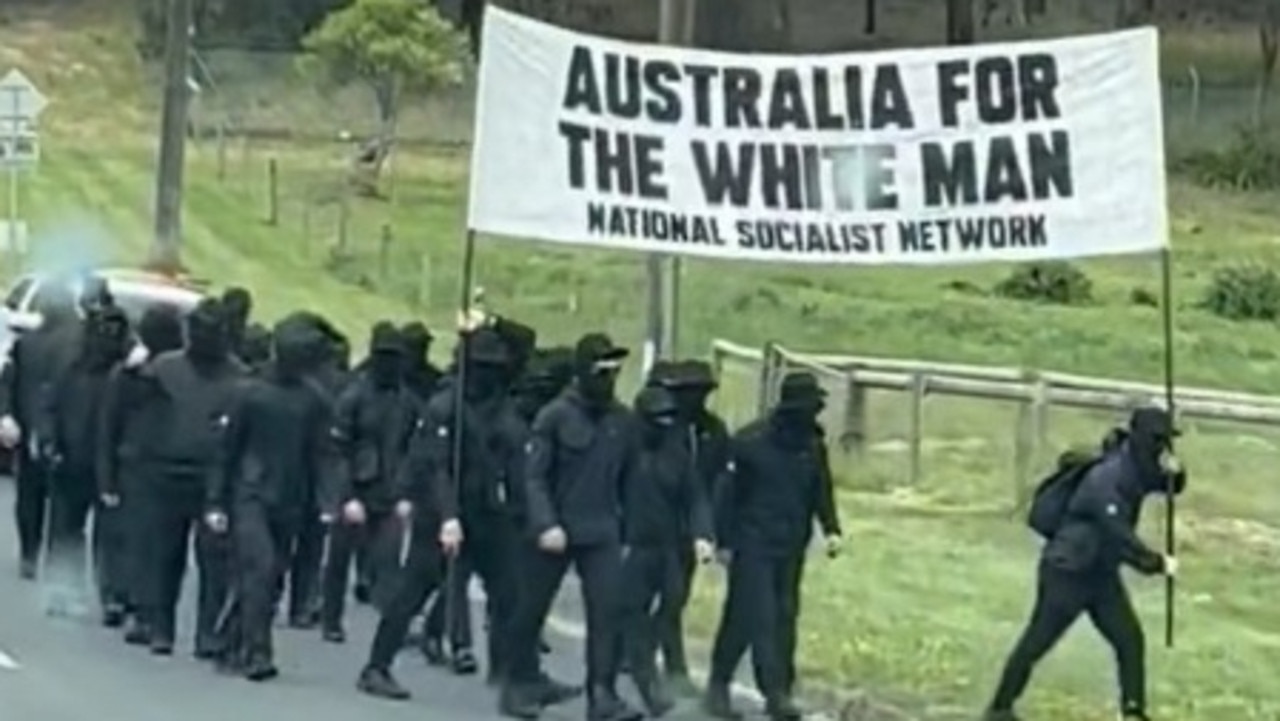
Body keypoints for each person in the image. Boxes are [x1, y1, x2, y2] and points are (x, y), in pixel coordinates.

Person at [983, 406, 1185, 721]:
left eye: (1166, 441)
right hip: (1068, 572)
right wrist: (1156, 563)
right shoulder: (1107, 476)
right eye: (1158, 440)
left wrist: (1176, 472)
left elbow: (1169, 485)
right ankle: (999, 709)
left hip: (1100, 575)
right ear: (1143, 438)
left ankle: (1133, 712)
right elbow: (1117, 533)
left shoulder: (1138, 465)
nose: (1162, 447)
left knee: (1129, 640)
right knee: (1037, 642)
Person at [500, 332, 640, 721]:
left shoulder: (622, 421)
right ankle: (517, 684)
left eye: (615, 370)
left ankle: (602, 693)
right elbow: (534, 477)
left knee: (608, 613)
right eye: (601, 369)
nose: (609, 378)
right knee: (530, 610)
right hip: (554, 532)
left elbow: (630, 480)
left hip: (601, 531)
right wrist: (546, 523)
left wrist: (627, 533)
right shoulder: (555, 416)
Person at [705, 372, 843, 721]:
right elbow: (727, 496)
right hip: (752, 543)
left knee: (776, 615)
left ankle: (728, 683)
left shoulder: (812, 445)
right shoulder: (750, 442)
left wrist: (831, 528)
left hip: (792, 543)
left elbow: (821, 489)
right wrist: (721, 541)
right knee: (762, 617)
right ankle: (773, 692)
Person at [204, 319, 335, 681]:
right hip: (250, 494)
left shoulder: (314, 400)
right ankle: (257, 652)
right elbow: (225, 451)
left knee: (270, 576)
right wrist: (215, 502)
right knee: (259, 568)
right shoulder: (249, 393)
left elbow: (322, 453)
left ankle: (229, 639)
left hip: (290, 498)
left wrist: (327, 499)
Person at [132, 298, 246, 657]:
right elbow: (139, 418)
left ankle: (208, 632)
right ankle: (160, 625)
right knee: (164, 555)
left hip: (215, 478)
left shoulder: (239, 378)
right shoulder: (163, 369)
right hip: (165, 472)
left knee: (215, 561)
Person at [320, 322, 418, 643]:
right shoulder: (353, 396)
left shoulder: (408, 402)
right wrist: (345, 496)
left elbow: (415, 450)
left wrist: (407, 493)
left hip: (391, 490)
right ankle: (331, 618)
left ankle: (389, 626)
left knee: (388, 562)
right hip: (357, 487)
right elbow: (337, 450)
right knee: (339, 560)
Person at [620, 386, 715, 717]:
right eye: (657, 417)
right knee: (633, 613)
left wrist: (702, 534)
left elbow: (695, 496)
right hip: (630, 545)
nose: (664, 423)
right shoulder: (622, 448)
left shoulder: (676, 453)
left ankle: (643, 660)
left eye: (668, 417)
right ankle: (648, 685)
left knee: (672, 602)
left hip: (669, 545)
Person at [97, 304, 186, 645]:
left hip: (140, 466)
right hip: (140, 466)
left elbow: (108, 429)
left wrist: (107, 475)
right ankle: (129, 598)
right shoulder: (135, 374)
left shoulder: (139, 373)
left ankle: (129, 599)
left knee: (137, 540)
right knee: (142, 541)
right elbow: (111, 426)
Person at [42, 305, 131, 619]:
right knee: (68, 528)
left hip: (111, 464)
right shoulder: (73, 367)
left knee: (110, 535)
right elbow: (51, 406)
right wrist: (51, 441)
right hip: (72, 458)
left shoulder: (125, 375)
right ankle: (64, 587)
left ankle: (112, 595)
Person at [650, 359, 729, 695]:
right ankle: (659, 660)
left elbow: (717, 483)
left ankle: (667, 662)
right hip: (653, 524)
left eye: (702, 393)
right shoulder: (661, 429)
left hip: (690, 528)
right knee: (649, 595)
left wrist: (709, 530)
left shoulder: (714, 431)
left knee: (676, 596)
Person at [0, 284, 82, 580]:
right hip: (67, 432)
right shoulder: (81, 345)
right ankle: (58, 559)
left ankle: (29, 553)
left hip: (28, 425)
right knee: (65, 500)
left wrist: (7, 415)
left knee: (29, 496)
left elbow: (8, 380)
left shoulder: (28, 343)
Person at [400, 321, 442, 403]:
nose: (424, 350)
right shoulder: (395, 374)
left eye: (424, 346)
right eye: (420, 346)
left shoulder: (433, 375)